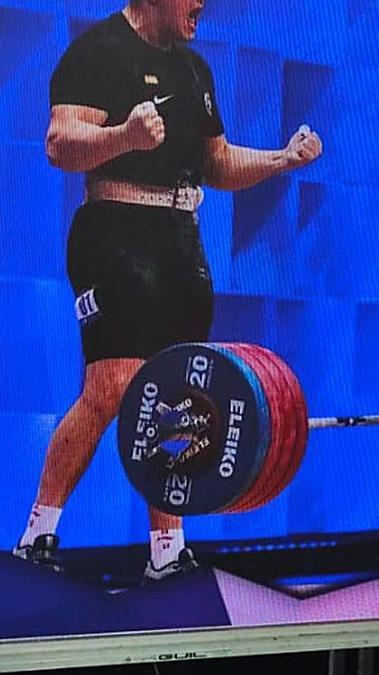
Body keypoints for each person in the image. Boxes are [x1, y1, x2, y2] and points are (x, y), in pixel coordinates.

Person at [12, 0, 323, 581]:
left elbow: (219, 163)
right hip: (115, 237)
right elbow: (59, 142)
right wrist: (125, 135)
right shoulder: (97, 51)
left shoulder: (194, 70)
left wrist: (281, 160)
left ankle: (166, 549)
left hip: (181, 241)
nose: (201, 4)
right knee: (110, 388)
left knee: (174, 393)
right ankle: (38, 532)